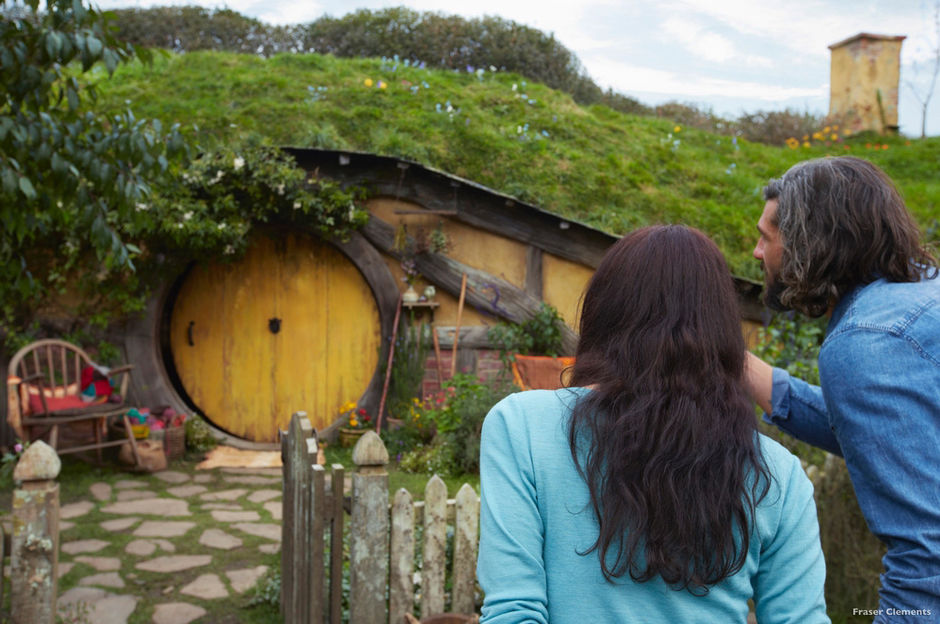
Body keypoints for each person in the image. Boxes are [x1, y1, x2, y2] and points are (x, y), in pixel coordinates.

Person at [478, 225, 828, 623]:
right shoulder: (778, 474)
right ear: (722, 333)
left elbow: (513, 612)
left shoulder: (520, 426)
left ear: (602, 314)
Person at [748, 156, 940, 621]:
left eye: (766, 237)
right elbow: (889, 438)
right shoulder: (920, 294)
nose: (757, 252)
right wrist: (741, 367)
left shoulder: (867, 342)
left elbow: (926, 558)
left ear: (809, 245)